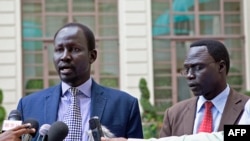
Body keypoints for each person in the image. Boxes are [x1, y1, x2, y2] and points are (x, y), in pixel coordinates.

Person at [16, 22, 143, 141]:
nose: (65, 56)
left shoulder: (125, 105)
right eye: (59, 50)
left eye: (75, 49)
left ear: (92, 56)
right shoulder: (28, 105)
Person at [159, 39, 250, 137]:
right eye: (187, 69)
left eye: (198, 67)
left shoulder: (246, 108)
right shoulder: (174, 114)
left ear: (221, 67)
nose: (189, 75)